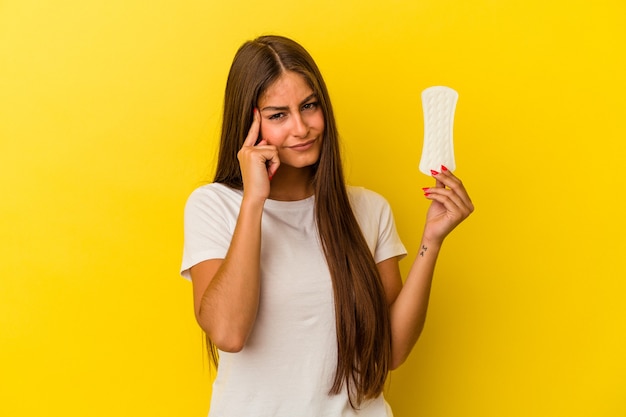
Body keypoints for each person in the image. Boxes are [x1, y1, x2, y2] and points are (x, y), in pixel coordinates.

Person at [180, 35, 474, 417]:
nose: (301, 128)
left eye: (309, 106)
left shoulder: (369, 210)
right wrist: (254, 201)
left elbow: (388, 353)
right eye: (277, 115)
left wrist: (431, 242)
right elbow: (228, 333)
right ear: (249, 124)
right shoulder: (213, 206)